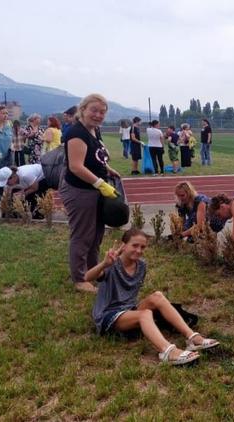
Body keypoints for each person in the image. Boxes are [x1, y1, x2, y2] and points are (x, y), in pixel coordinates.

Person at [88, 228, 219, 365]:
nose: (139, 250)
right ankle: (167, 351)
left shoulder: (142, 266)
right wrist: (104, 264)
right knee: (145, 314)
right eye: (134, 245)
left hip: (129, 309)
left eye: (142, 247)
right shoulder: (112, 264)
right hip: (108, 315)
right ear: (124, 245)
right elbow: (87, 277)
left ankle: (193, 338)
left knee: (157, 296)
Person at [58, 93, 121, 293]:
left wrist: (107, 168)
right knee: (83, 235)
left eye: (102, 112)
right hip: (81, 190)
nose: (98, 115)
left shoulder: (94, 130)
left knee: (96, 234)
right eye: (94, 110)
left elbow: (94, 156)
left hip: (94, 189)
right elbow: (76, 166)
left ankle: (94, 271)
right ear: (82, 109)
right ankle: (79, 279)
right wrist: (100, 183)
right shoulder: (77, 133)